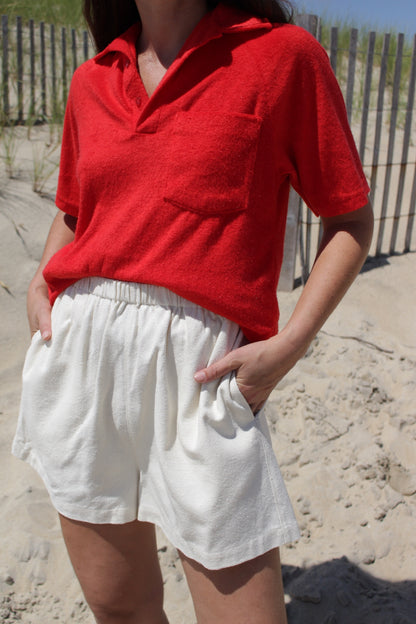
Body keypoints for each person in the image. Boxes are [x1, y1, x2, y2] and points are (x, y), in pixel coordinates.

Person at [12, 0, 374, 622]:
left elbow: (349, 220)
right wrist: (44, 281)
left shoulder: (283, 57)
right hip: (83, 361)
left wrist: (290, 344)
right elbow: (74, 211)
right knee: (118, 608)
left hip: (202, 372)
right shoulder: (93, 77)